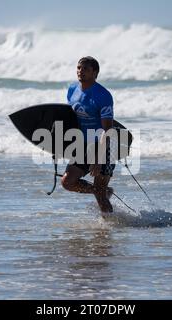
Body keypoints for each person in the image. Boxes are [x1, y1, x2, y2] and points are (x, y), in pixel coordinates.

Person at [61, 56, 116, 215]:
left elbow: (108, 130)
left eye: (85, 69)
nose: (80, 71)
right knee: (67, 182)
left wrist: (98, 160)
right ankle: (103, 191)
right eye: (79, 68)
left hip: (104, 146)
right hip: (82, 145)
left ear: (95, 72)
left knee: (100, 193)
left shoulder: (103, 95)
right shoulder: (72, 89)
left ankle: (110, 227)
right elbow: (71, 119)